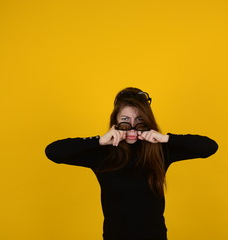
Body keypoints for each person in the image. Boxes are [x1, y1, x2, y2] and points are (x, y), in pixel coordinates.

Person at [45, 87, 218, 240]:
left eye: (139, 121)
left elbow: (209, 147)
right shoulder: (102, 154)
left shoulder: (160, 151)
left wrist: (165, 138)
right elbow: (53, 152)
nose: (133, 128)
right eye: (125, 120)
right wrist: (99, 140)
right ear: (115, 122)